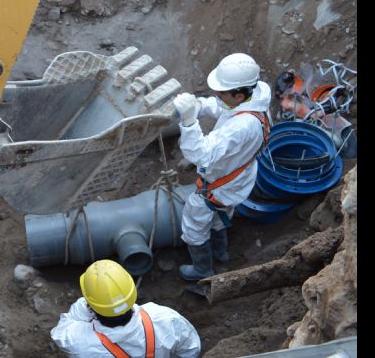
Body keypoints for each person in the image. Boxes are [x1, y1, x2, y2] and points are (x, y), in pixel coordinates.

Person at [171, 53, 271, 281]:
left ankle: (202, 271)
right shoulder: (255, 95)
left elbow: (201, 154)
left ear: (237, 94)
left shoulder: (241, 127)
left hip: (219, 187)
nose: (217, 95)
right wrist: (197, 106)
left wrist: (189, 121)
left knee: (194, 226)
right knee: (220, 216)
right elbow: (222, 107)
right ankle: (221, 253)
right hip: (237, 180)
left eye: (221, 92)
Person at [50, 259, 201, 357]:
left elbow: (60, 331)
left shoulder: (79, 342)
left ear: (91, 305)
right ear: (131, 291)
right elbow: (191, 350)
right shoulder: (164, 318)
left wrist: (86, 304)